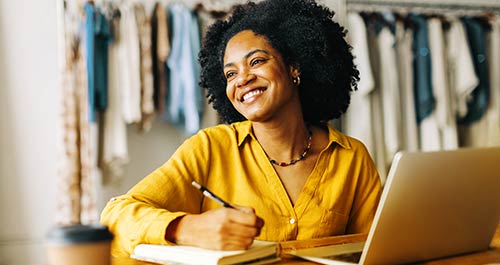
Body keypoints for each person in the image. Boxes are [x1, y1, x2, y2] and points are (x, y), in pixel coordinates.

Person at [101, 0, 382, 257]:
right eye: (230, 73)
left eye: (257, 61)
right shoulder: (209, 149)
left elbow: (378, 252)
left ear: (294, 66)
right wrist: (186, 228)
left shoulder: (352, 158)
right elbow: (115, 217)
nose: (242, 79)